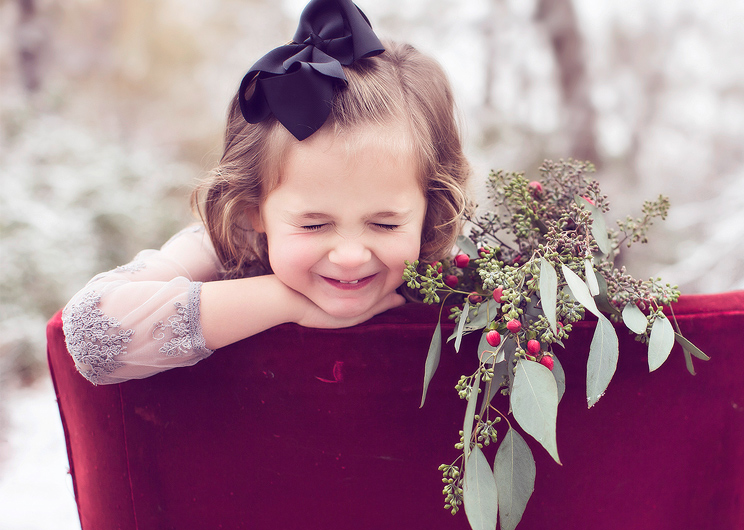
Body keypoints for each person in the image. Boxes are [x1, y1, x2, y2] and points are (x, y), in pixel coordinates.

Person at [61, 0, 470, 385]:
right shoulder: (227, 246)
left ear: (430, 207)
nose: (350, 256)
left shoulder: (453, 278)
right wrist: (285, 301)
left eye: (384, 224)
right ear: (252, 207)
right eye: (313, 224)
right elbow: (91, 335)